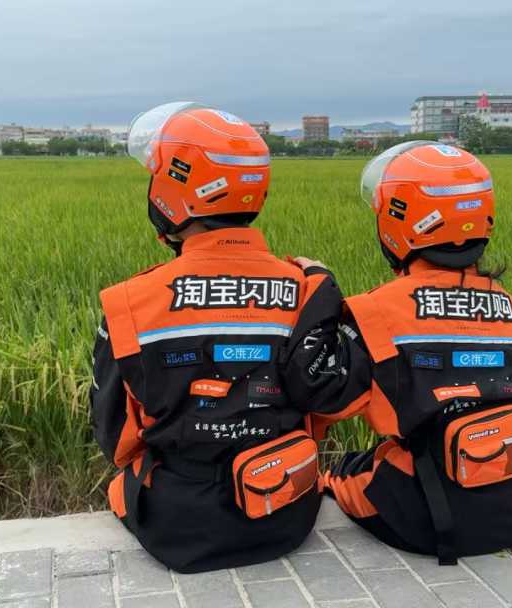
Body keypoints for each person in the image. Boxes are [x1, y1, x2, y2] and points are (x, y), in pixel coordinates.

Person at [90, 102, 348, 573]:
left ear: (174, 190)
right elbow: (329, 404)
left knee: (122, 487)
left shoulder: (127, 301)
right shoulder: (307, 289)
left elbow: (117, 438)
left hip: (177, 528)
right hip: (288, 513)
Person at [289, 142, 512, 565]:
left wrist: (319, 286)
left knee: (346, 470)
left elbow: (324, 399)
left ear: (398, 224)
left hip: (426, 521)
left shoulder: (377, 309)